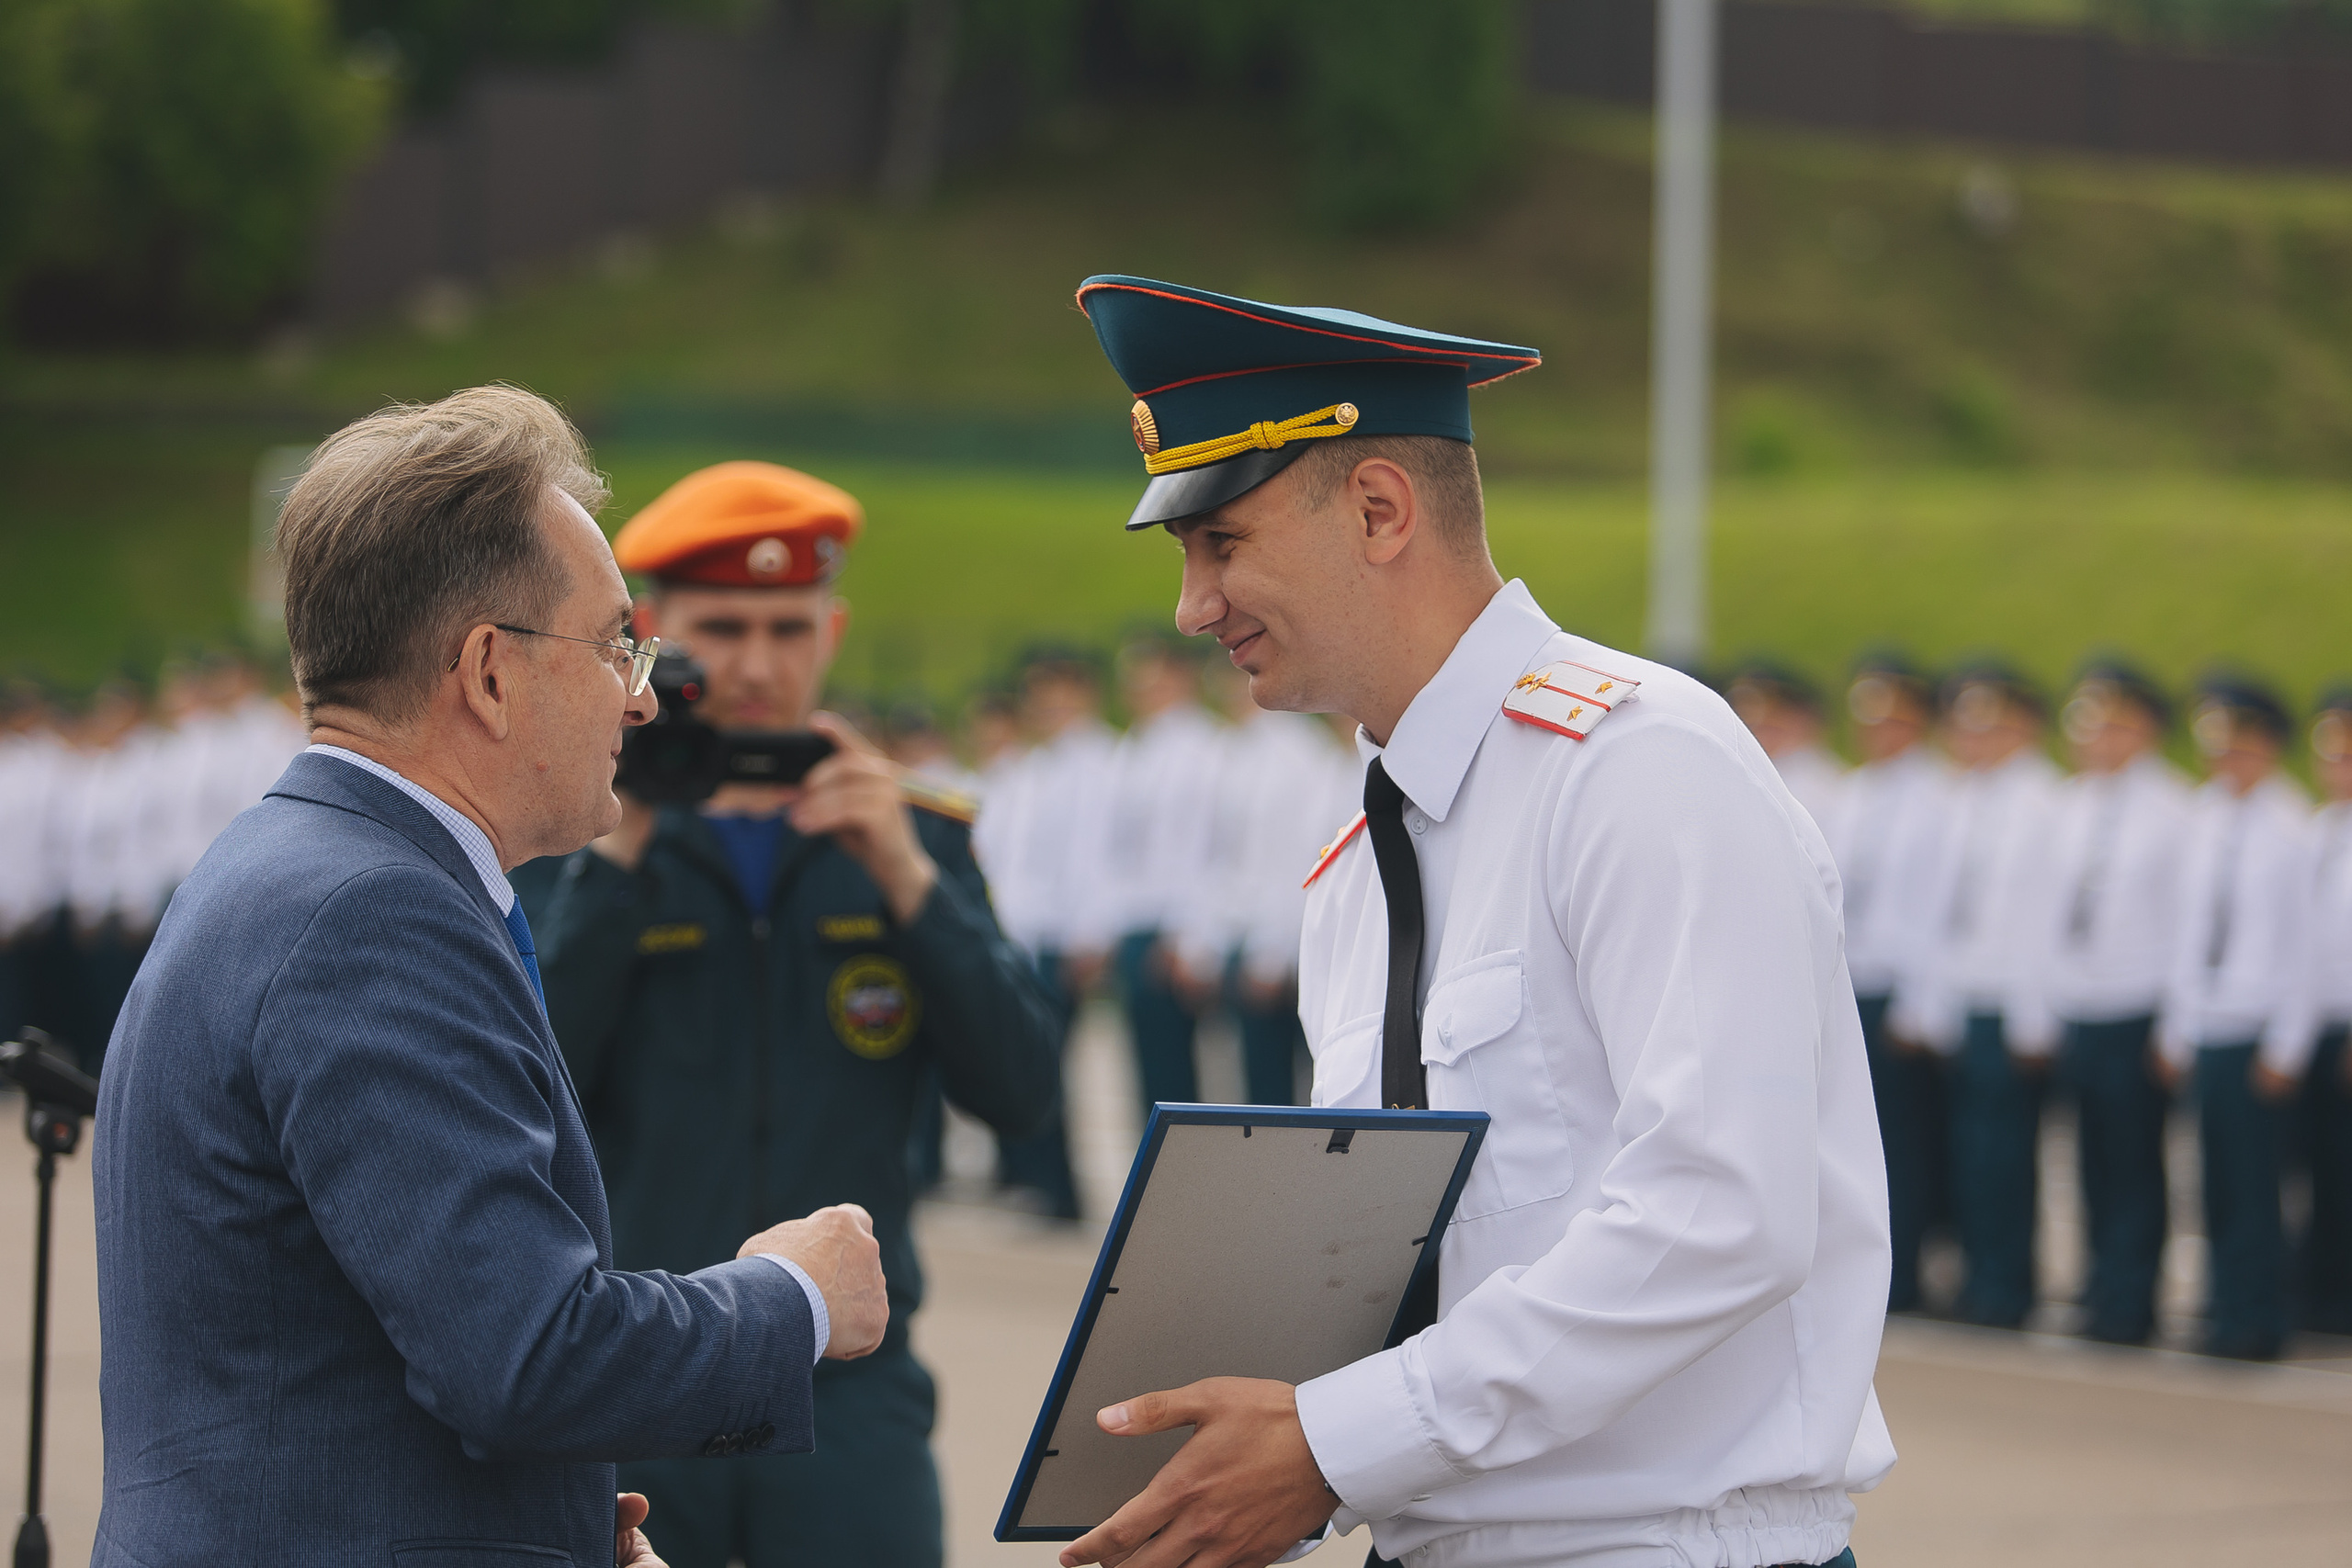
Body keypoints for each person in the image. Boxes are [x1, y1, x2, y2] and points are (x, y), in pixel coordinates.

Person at [1057, 276, 1890, 1568]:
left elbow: (1721, 1210)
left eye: (1220, 542)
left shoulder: (1638, 767)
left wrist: (1336, 1443)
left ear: (1379, 510)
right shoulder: (1360, 863)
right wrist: (1244, 1459)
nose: (1193, 607)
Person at [94, 387, 890, 1568]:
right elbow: (525, 1359)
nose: (642, 694)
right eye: (616, 643)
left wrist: (548, 1527)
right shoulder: (373, 916)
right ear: (488, 671)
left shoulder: (309, 865)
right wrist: (793, 1296)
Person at [511, 457, 1062, 1567]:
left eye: (787, 628)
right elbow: (523, 1087)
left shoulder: (917, 835)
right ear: (652, 631)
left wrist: (907, 878)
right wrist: (621, 854)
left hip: (847, 1387)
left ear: (833, 630)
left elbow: (1020, 1092)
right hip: (641, 1360)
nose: (759, 665)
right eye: (723, 628)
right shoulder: (574, 824)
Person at [1891, 661, 2061, 1330]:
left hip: (2007, 1005)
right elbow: (1938, 914)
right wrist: (1927, 1005)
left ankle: (2006, 1284)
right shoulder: (1963, 798)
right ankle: (1976, 1276)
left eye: (1990, 726)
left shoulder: (2044, 803)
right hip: (1962, 1003)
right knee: (1965, 1153)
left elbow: (2040, 922)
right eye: (1965, 725)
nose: (1973, 738)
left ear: (2023, 726)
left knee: (2004, 1156)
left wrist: (2031, 1017)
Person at [2162, 674, 2315, 1359]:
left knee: (2257, 1183)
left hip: (2257, 1028)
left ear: (2268, 745)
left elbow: (2301, 946)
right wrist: (2176, 1025)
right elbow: (2187, 930)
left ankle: (2258, 1315)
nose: (2227, 758)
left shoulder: (2291, 826)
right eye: (2218, 745)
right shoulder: (2204, 817)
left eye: (2241, 745)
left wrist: (2287, 1043)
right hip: (2208, 1023)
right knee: (2213, 1178)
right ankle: (2223, 1304)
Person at [2038, 660, 2192, 1345]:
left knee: (2134, 1160)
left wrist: (2175, 1024)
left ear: (2143, 729)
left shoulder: (2175, 809)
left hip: (2137, 1006)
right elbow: (2049, 915)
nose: (2094, 737)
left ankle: (2133, 1298)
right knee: (2090, 1157)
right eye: (2088, 723)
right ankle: (2100, 1283)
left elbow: (2183, 925)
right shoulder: (2072, 803)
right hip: (2081, 1003)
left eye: (2111, 724)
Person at [1821, 651, 1952, 1313]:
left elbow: (1941, 912)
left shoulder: (1940, 797)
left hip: (1903, 989)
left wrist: (1923, 1003)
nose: (1876, 732)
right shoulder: (1851, 792)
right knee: (1850, 1137)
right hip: (1852, 982)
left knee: (1905, 1140)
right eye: (1868, 719)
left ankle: (1908, 1271)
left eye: (1891, 719)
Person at [970, 646, 1118, 1218]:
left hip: (1065, 935)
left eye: (1059, 691)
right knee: (1032, 1058)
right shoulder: (1041, 767)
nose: (1048, 705)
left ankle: (1061, 1191)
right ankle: (1041, 1181)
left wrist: (1089, 931)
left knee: (1053, 1063)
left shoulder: (1098, 762)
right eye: (1039, 694)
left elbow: (1094, 854)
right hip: (1029, 934)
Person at [1087, 632, 1223, 1114]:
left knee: (1178, 1073)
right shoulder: (1134, 747)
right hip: (1134, 921)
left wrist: (1191, 933)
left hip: (1172, 925)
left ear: (1180, 676)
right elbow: (1115, 848)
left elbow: (1203, 849)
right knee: (1147, 1070)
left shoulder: (1205, 747)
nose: (1140, 687)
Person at [2298, 687, 2352, 1335]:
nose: (2336, 766)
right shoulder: (2315, 829)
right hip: (2312, 1022)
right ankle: (2321, 1286)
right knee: (2317, 1164)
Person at [1728, 658, 1846, 829]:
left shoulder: (1831, 785)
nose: (1760, 723)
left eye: (1776, 714)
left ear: (1806, 716)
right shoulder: (1745, 774)